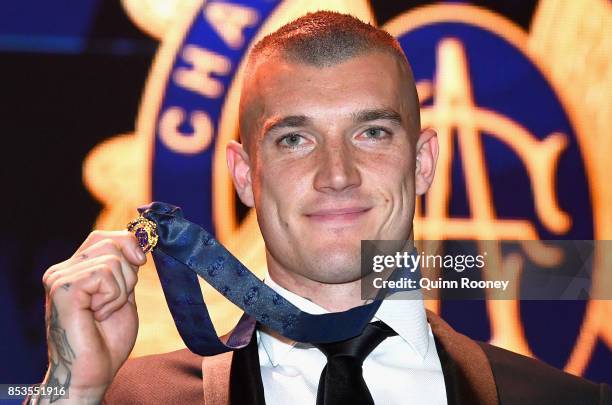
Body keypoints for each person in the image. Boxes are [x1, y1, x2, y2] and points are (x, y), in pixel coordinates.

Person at [35, 11, 609, 405]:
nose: (337, 175)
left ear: (424, 161)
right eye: (294, 139)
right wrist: (70, 391)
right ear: (244, 176)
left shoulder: (565, 399)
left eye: (372, 133)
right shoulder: (134, 398)